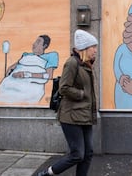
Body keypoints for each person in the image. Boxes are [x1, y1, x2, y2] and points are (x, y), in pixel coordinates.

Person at [37, 29, 98, 176]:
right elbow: (64, 88)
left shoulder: (86, 64)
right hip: (71, 116)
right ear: (84, 48)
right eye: (93, 47)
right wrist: (82, 94)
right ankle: (48, 173)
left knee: (88, 153)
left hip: (84, 115)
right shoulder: (72, 63)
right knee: (77, 154)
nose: (95, 50)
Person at [0, 35, 58, 103]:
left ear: (44, 46)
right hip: (10, 83)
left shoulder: (51, 56)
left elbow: (48, 76)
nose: (34, 44)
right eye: (35, 41)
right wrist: (8, 75)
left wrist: (25, 74)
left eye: (38, 42)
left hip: (29, 88)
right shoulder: (26, 55)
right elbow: (12, 68)